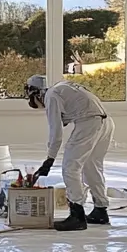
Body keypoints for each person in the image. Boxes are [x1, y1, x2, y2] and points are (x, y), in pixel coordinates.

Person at [25, 75, 114, 231]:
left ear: (36, 93)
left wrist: (49, 159)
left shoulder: (51, 96)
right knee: (91, 167)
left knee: (70, 168)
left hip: (89, 123)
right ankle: (100, 211)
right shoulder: (62, 87)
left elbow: (56, 132)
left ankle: (77, 215)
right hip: (105, 123)